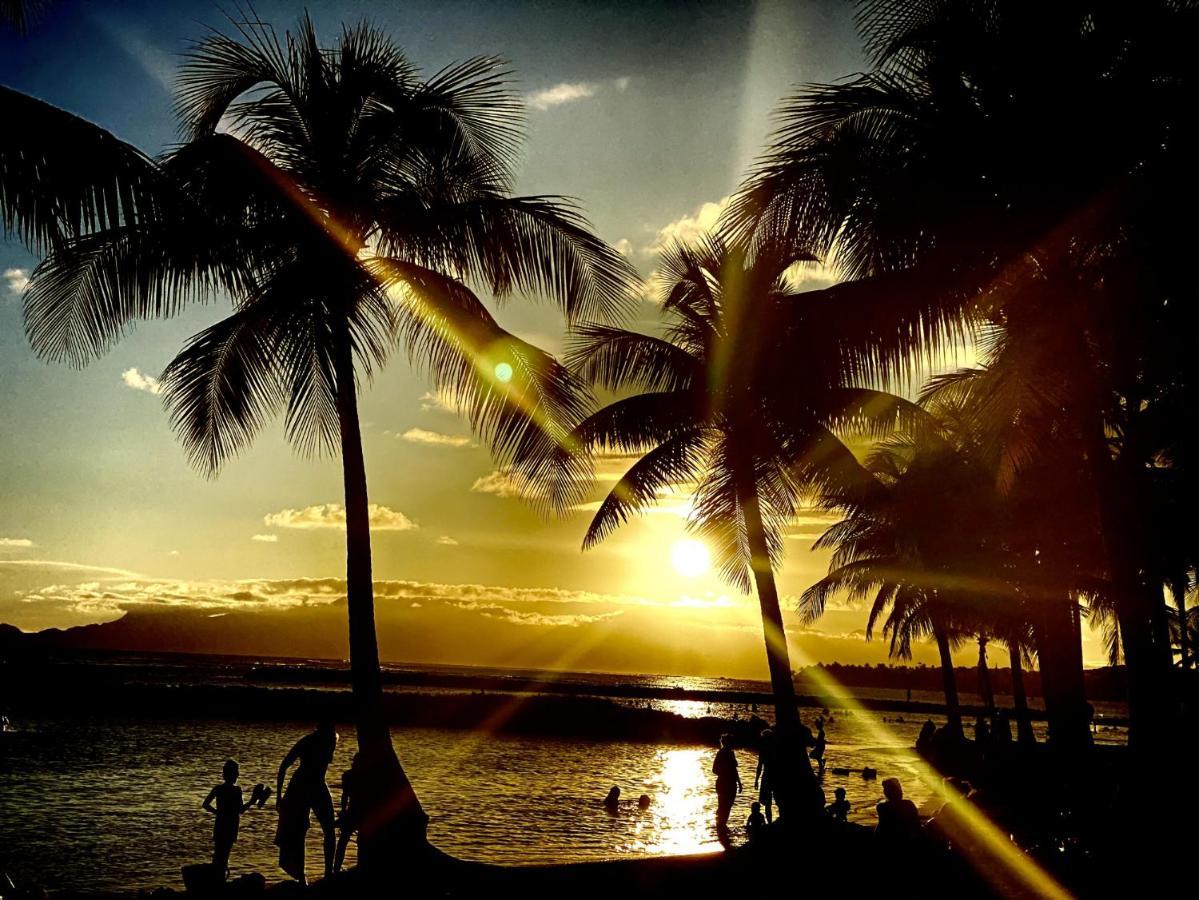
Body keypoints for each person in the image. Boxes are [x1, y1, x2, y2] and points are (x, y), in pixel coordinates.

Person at [275, 721, 338, 883]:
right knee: (299, 830)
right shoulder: (307, 741)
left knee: (329, 829)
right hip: (300, 786)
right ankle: (302, 877)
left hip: (318, 785)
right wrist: (279, 796)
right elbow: (284, 765)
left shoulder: (332, 739)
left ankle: (328, 872)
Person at [202, 760, 258, 877]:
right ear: (231, 774)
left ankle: (216, 878)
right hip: (231, 826)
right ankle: (219, 879)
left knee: (218, 854)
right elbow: (240, 810)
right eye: (236, 772)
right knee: (224, 854)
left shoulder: (218, 789)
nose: (238, 775)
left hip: (220, 824)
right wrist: (252, 801)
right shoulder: (236, 790)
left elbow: (206, 804)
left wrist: (218, 813)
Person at [333, 753, 361, 874]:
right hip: (359, 812)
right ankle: (337, 868)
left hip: (354, 812)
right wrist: (344, 812)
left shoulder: (348, 775)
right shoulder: (368, 775)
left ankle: (336, 869)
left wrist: (344, 812)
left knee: (343, 840)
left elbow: (345, 796)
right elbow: (344, 796)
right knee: (347, 839)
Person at [712, 733, 742, 843]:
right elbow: (714, 769)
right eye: (731, 741)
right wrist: (725, 773)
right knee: (723, 805)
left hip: (731, 783)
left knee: (728, 805)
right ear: (727, 742)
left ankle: (722, 826)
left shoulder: (731, 753)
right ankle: (721, 827)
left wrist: (739, 782)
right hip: (723, 782)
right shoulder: (721, 753)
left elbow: (734, 769)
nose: (733, 744)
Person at [876, 777, 920, 845]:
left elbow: (880, 828)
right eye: (900, 788)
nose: (901, 791)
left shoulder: (881, 807)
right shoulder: (908, 804)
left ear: (886, 793)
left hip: (887, 840)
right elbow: (917, 824)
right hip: (906, 839)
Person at [754, 728, 776, 823]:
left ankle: (770, 823)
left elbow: (760, 766)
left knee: (767, 803)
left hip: (767, 776)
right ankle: (772, 822)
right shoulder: (776, 750)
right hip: (777, 776)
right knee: (779, 801)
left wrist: (756, 780)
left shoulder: (764, 750)